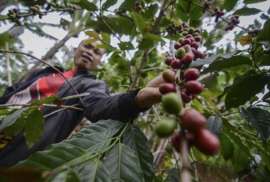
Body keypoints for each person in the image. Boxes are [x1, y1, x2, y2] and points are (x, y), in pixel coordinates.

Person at [0, 39, 174, 167]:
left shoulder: (90, 84)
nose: (90, 52)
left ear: (99, 62)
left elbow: (100, 107)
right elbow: (11, 94)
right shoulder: (43, 71)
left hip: (17, 150)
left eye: (97, 52)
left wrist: (136, 99)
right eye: (87, 46)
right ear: (77, 48)